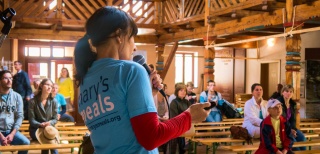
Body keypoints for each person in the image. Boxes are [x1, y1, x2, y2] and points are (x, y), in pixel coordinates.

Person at [73, 6, 210, 153]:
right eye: (132, 37)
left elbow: (119, 127)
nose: (134, 47)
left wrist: (149, 94)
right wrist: (189, 116)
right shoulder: (131, 70)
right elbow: (151, 137)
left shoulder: (85, 80)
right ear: (119, 35)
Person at [0, 70, 30, 154]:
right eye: (6, 78)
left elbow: (20, 116)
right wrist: (1, 136)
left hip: (10, 131)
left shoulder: (17, 96)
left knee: (26, 143)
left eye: (10, 78)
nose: (9, 81)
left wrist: (13, 133)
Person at [28, 78, 58, 154]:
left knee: (49, 137)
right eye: (47, 85)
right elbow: (31, 120)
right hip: (36, 129)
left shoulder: (53, 101)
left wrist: (50, 123)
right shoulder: (33, 101)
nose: (49, 87)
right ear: (41, 86)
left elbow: (55, 118)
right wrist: (40, 124)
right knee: (49, 141)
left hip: (49, 129)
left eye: (51, 86)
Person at [277, 85, 306, 151]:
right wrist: (289, 130)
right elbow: (281, 119)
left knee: (302, 138)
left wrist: (293, 129)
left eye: (291, 92)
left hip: (291, 128)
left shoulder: (293, 104)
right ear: (282, 92)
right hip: (281, 128)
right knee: (294, 143)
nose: (289, 93)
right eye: (286, 91)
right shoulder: (278, 103)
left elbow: (293, 119)